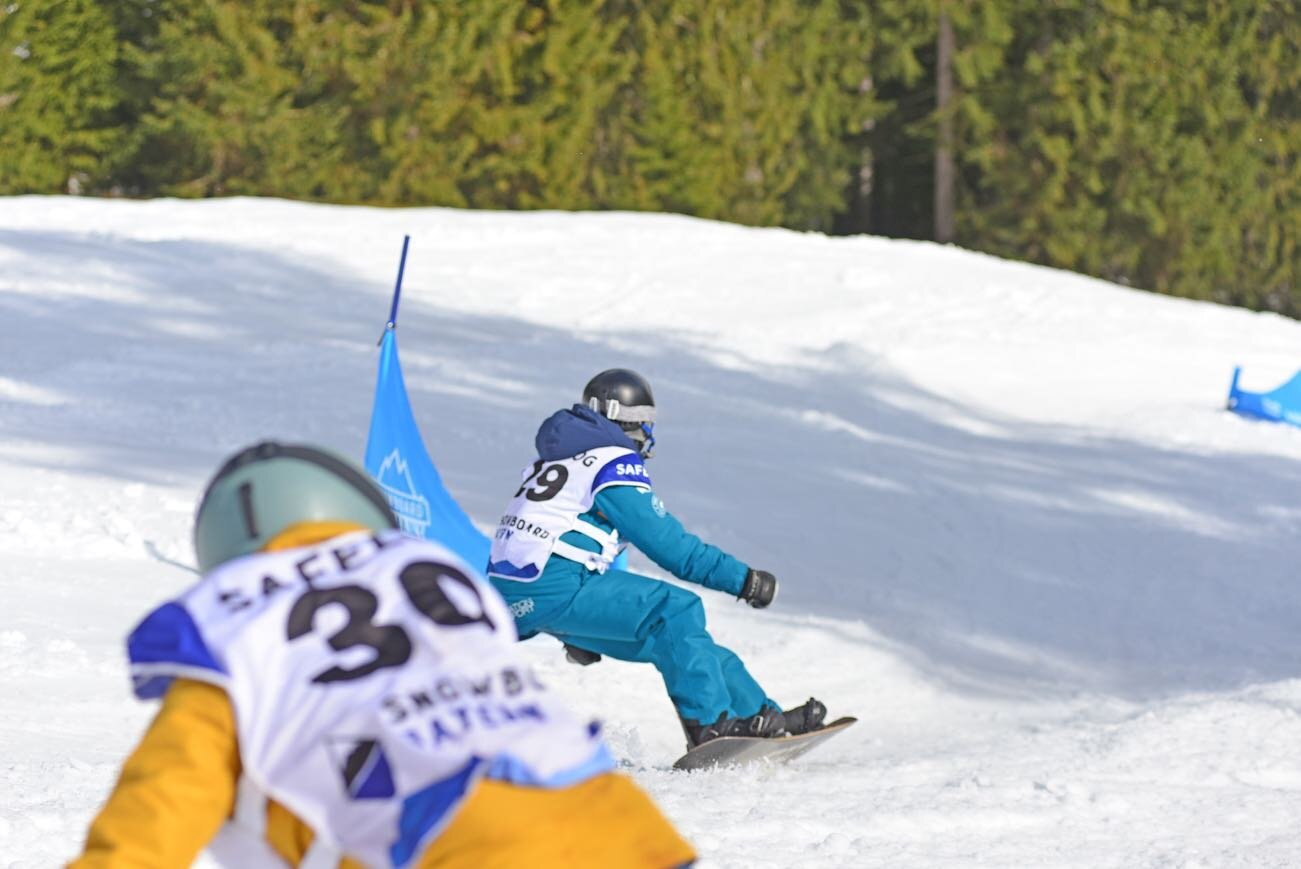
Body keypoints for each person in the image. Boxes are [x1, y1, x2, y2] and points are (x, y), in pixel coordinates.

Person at [70, 441, 695, 869]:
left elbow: (163, 803)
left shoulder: (229, 619)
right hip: (621, 828)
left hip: (444, 844)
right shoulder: (433, 572)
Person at [486, 369, 826, 750]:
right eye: (644, 423)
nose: (647, 435)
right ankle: (711, 727)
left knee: (690, 648)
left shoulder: (554, 461)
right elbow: (672, 548)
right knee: (676, 609)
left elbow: (551, 535)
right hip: (559, 585)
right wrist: (745, 581)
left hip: (517, 594)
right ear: (624, 420)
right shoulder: (610, 462)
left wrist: (575, 624)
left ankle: (765, 717)